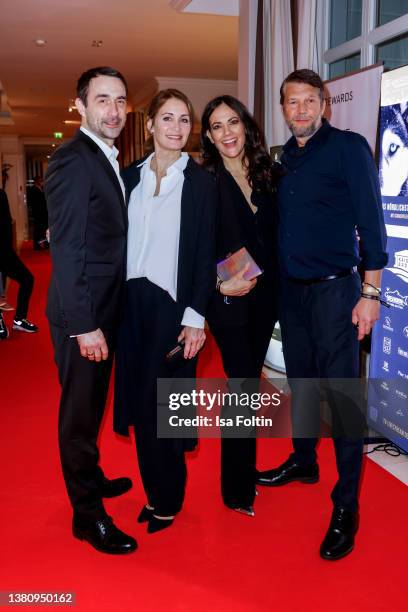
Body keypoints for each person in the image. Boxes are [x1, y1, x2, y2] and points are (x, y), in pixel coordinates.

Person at [256, 69, 388, 560]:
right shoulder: (281, 160)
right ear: (284, 109)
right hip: (292, 296)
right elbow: (268, 231)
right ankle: (304, 460)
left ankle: (346, 505)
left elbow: (373, 227)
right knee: (304, 383)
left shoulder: (349, 149)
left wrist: (370, 294)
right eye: (293, 102)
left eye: (311, 100)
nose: (303, 109)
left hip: (338, 293)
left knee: (344, 400)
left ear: (325, 103)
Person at [114, 89, 216, 534]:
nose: (176, 127)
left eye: (184, 120)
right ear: (150, 124)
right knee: (140, 405)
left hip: (173, 308)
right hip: (129, 305)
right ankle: (155, 492)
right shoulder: (127, 177)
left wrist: (196, 316)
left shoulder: (200, 182)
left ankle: (168, 498)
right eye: (167, 118)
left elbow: (206, 253)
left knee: (166, 408)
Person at [45, 66, 136, 555]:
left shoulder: (108, 159)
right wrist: (85, 327)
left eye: (120, 100)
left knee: (93, 405)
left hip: (104, 310)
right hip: (82, 317)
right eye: (103, 100)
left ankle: (92, 478)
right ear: (80, 105)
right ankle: (87, 516)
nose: (114, 110)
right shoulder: (73, 160)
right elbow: (68, 250)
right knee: (79, 418)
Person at [200, 96, 280, 516]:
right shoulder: (204, 181)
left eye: (233, 122)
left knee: (248, 382)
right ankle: (235, 486)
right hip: (228, 297)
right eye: (217, 127)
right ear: (209, 137)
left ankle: (242, 473)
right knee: (241, 381)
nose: (227, 132)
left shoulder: (270, 172)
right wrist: (219, 283)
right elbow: (195, 248)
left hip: (266, 296)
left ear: (246, 126)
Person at [0, 187, 37, 334]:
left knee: (27, 279)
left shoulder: (1, 194)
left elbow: (6, 223)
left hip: (4, 251)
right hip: (3, 252)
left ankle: (19, 319)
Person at [27, 176, 49, 249]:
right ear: (36, 181)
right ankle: (37, 245)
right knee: (38, 230)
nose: (42, 182)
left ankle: (45, 244)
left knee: (44, 229)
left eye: (42, 180)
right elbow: (33, 202)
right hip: (38, 213)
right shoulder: (33, 189)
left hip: (43, 213)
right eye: (40, 180)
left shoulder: (41, 188)